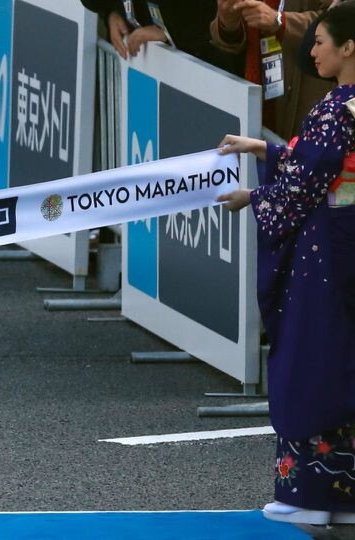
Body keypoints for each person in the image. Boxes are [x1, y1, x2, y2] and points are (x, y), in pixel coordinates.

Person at [216, 4, 355, 525]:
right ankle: (345, 494)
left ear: (349, 47)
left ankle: (310, 495)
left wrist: (253, 197)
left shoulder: (339, 109)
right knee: (344, 360)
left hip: (329, 250)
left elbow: (306, 178)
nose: (312, 51)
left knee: (310, 358)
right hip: (347, 242)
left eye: (320, 41)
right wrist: (262, 148)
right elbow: (310, 164)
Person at [212, 0, 335, 140]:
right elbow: (228, 40)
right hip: (251, 91)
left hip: (306, 92)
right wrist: (229, 22)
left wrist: (280, 21)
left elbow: (338, 20)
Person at [81, 0, 242, 74]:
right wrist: (112, 12)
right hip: (149, 74)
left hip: (209, 73)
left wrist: (169, 33)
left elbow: (224, 15)